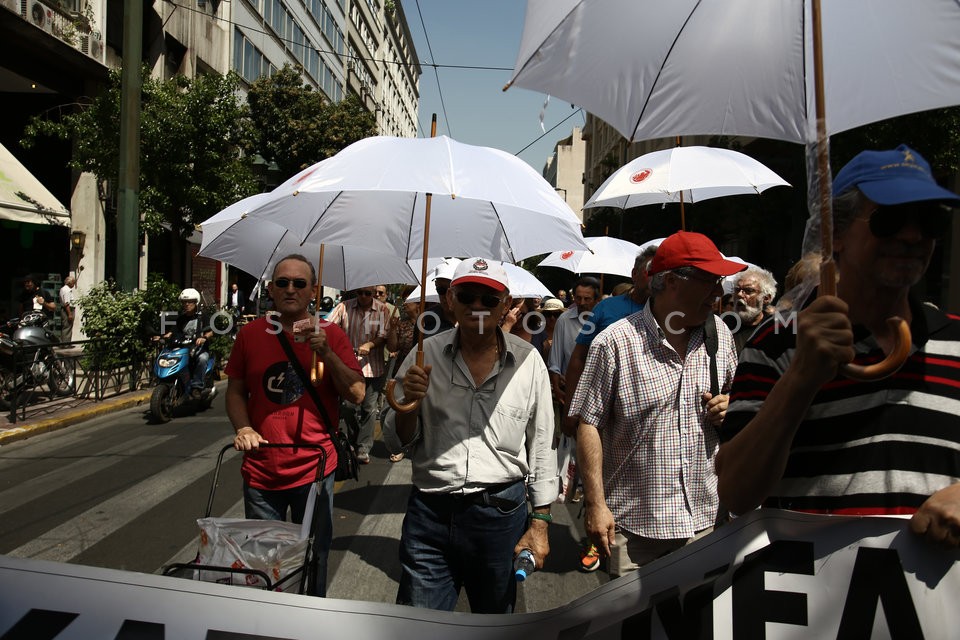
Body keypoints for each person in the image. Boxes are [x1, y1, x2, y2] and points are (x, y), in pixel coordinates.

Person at [715, 146, 960, 547]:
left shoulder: (956, 343)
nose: (913, 235)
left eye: (929, 221)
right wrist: (801, 379)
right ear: (837, 234)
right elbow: (737, 493)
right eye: (890, 219)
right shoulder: (776, 343)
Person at [382, 258, 558, 614]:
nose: (477, 307)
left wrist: (540, 522)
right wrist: (411, 403)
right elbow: (396, 441)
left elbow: (542, 445)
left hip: (499, 516)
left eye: (489, 300)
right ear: (450, 302)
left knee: (493, 623)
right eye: (466, 297)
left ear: (507, 304)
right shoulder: (424, 355)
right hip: (430, 513)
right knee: (419, 624)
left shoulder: (528, 361)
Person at [570, 231, 744, 577]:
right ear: (670, 282)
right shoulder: (615, 342)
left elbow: (738, 405)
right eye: (710, 280)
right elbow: (588, 423)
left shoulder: (721, 334)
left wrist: (730, 408)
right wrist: (595, 503)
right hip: (635, 532)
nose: (719, 292)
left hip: (707, 522)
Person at [226, 254, 364, 597]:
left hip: (314, 470)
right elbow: (235, 391)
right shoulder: (250, 334)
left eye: (299, 283)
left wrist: (328, 352)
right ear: (271, 288)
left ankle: (309, 621)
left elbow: (358, 393)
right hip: (261, 469)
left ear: (313, 290)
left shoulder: (332, 334)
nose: (290, 289)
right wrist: (244, 428)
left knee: (314, 558)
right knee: (263, 564)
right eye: (282, 282)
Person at [558, 243, 659, 571]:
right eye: (649, 273)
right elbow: (578, 357)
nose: (655, 279)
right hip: (602, 412)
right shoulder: (605, 311)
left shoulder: (674, 311)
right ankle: (595, 537)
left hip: (647, 417)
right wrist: (573, 408)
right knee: (597, 477)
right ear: (634, 276)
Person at [327, 286, 394, 464]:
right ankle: (355, 437)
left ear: (374, 294)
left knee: (369, 408)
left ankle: (364, 447)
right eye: (360, 293)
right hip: (349, 367)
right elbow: (329, 326)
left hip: (373, 366)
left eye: (368, 293)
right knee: (348, 407)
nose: (363, 297)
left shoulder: (382, 310)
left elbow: (384, 335)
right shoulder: (343, 307)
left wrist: (370, 345)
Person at [159, 288, 215, 398]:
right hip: (183, 347)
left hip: (198, 348)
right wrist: (164, 336)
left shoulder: (203, 316)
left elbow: (211, 331)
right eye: (184, 302)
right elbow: (173, 331)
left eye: (190, 302)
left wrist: (204, 338)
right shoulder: (180, 318)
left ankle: (196, 386)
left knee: (202, 358)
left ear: (195, 302)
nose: (187, 304)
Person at [726, 266, 778, 353]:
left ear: (766, 298)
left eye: (749, 290)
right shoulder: (723, 325)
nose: (739, 294)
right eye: (737, 289)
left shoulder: (772, 329)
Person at [530, 297, 564, 364]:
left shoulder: (567, 332)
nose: (552, 318)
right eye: (548, 314)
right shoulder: (537, 333)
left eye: (556, 314)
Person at [58, 275, 77, 342]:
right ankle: (66, 344)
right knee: (67, 327)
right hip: (68, 310)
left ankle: (65, 342)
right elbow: (66, 303)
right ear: (69, 282)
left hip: (66, 309)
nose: (74, 284)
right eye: (73, 282)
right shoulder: (67, 290)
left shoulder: (63, 289)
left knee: (66, 327)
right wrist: (69, 314)